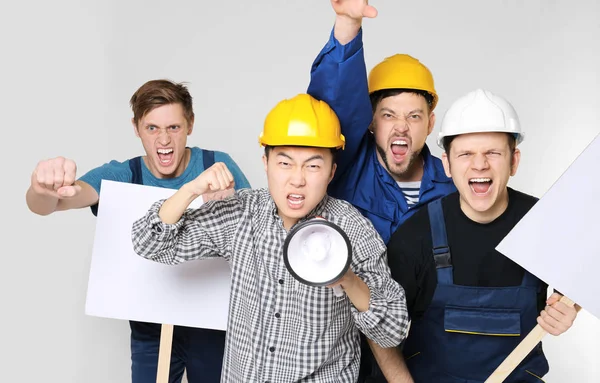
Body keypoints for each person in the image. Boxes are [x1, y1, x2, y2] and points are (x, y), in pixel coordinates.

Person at [130, 93, 410, 382]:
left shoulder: (352, 228)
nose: (297, 179)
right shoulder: (241, 213)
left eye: (313, 165)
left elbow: (393, 331)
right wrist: (190, 190)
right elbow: (148, 243)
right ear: (266, 163)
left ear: (331, 172)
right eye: (285, 163)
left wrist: (348, 279)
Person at [25, 79, 251, 383]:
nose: (164, 140)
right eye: (152, 128)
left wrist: (232, 203)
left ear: (190, 124)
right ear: (136, 128)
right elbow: (53, 204)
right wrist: (42, 188)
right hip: (150, 330)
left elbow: (256, 235)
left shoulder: (217, 165)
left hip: (212, 326)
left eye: (173, 127)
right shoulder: (122, 175)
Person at [380, 89, 580, 382]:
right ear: (447, 164)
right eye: (466, 154)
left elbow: (589, 269)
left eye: (493, 153)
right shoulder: (416, 233)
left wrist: (569, 306)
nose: (479, 164)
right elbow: (379, 328)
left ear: (514, 161)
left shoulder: (544, 222)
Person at [307, 2, 457, 380]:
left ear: (431, 124)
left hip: (425, 347)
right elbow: (334, 102)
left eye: (413, 116)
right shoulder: (346, 168)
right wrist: (347, 24)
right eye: (389, 114)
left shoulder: (455, 186)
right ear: (371, 121)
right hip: (345, 344)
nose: (401, 128)